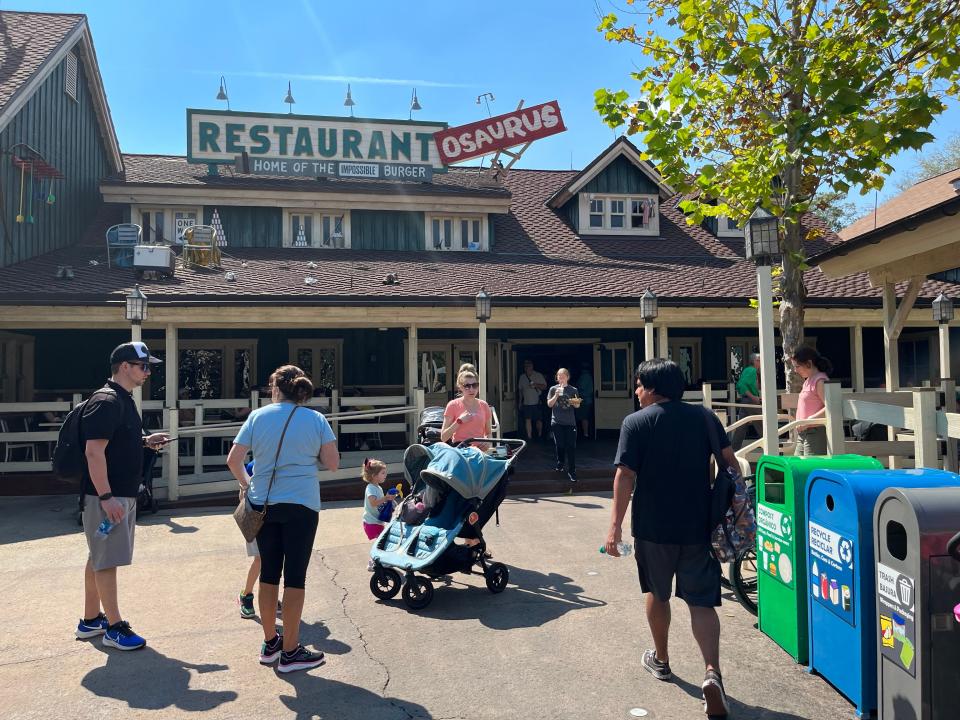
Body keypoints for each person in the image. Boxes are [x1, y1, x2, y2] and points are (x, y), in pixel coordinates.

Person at [604, 359, 739, 717]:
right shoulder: (706, 418)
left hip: (653, 527)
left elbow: (624, 477)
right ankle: (712, 672)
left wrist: (614, 527)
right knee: (702, 602)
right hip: (699, 526)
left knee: (656, 593)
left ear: (651, 387)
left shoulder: (635, 423)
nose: (635, 392)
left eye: (638, 386)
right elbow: (730, 464)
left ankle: (661, 659)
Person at [226, 364, 339, 674]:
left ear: (275, 388)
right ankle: (291, 651)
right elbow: (332, 463)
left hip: (263, 503)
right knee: (296, 577)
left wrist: (247, 486)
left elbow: (234, 460)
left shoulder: (257, 416)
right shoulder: (316, 419)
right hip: (301, 504)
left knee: (269, 574)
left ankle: (269, 642)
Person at [75, 342, 168, 650]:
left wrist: (144, 441)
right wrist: (106, 496)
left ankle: (91, 620)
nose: (148, 372)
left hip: (117, 493)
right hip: (108, 497)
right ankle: (115, 627)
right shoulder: (107, 400)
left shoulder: (122, 400)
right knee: (107, 559)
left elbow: (114, 441)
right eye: (144, 366)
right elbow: (93, 451)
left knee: (98, 555)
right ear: (125, 367)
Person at [792, 346, 832, 456]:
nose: (795, 370)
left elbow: (831, 407)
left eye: (797, 366)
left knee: (810, 467)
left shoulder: (820, 380)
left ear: (808, 363)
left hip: (815, 431)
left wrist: (810, 420)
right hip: (803, 432)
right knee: (797, 466)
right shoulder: (808, 381)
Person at [441, 364, 492, 447]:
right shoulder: (452, 405)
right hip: (460, 451)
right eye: (467, 386)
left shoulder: (484, 405)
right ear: (460, 387)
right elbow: (443, 437)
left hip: (479, 452)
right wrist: (459, 421)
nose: (471, 389)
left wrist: (487, 443)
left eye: (474, 385)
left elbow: (489, 433)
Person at [546, 368, 579, 482]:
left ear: (567, 377)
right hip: (557, 422)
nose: (560, 378)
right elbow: (549, 404)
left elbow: (577, 406)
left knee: (571, 446)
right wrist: (556, 395)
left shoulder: (573, 389)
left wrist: (574, 402)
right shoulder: (552, 389)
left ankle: (572, 471)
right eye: (559, 376)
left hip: (570, 423)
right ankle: (560, 462)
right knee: (559, 444)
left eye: (563, 376)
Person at [361, 458, 393, 570]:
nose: (386, 475)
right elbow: (373, 502)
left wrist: (390, 501)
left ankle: (373, 561)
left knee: (381, 542)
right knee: (381, 543)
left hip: (377, 521)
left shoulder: (377, 487)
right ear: (374, 475)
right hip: (371, 522)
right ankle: (376, 562)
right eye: (383, 473)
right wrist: (385, 498)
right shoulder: (370, 488)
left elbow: (381, 502)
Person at [730, 353, 761, 451]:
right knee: (763, 426)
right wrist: (753, 397)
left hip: (746, 401)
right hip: (750, 402)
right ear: (754, 361)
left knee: (741, 429)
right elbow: (741, 385)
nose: (761, 362)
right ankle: (774, 450)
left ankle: (733, 451)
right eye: (759, 360)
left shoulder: (749, 370)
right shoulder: (751, 370)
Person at [518, 359, 546, 440]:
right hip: (526, 402)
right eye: (525, 366)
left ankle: (540, 434)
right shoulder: (522, 377)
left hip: (537, 402)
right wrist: (520, 402)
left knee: (539, 420)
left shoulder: (538, 375)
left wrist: (536, 385)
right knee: (527, 419)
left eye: (528, 365)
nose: (527, 367)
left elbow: (544, 386)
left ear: (532, 366)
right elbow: (520, 390)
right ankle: (529, 436)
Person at [576, 364, 594, 440]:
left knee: (584, 417)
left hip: (585, 400)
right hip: (587, 400)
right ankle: (585, 433)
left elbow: (581, 387)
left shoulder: (584, 377)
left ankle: (585, 434)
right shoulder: (588, 376)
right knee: (584, 417)